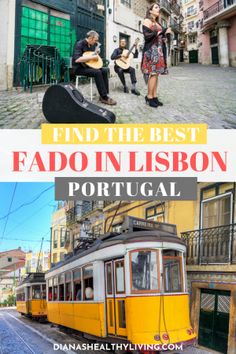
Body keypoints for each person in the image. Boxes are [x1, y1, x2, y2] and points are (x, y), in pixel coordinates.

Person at [73, 30, 116, 106]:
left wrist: (96, 53)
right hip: (79, 68)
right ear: (90, 38)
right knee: (97, 72)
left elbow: (89, 58)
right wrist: (93, 56)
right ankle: (104, 97)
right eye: (95, 40)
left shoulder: (90, 45)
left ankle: (104, 93)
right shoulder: (79, 44)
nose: (96, 42)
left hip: (87, 66)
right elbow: (77, 59)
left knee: (104, 70)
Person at [141, 3, 172, 107]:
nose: (158, 9)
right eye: (156, 7)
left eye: (159, 7)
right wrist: (161, 32)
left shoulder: (158, 24)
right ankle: (149, 97)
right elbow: (147, 36)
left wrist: (166, 35)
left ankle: (154, 96)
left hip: (159, 50)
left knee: (156, 74)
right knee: (153, 74)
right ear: (150, 11)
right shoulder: (147, 20)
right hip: (151, 50)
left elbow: (161, 37)